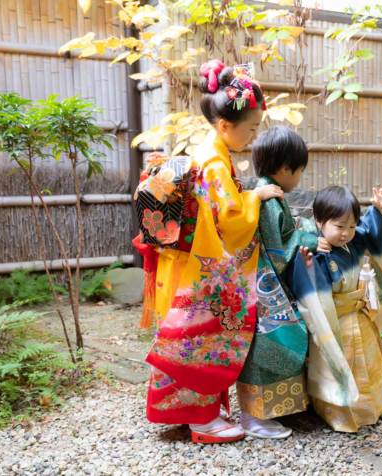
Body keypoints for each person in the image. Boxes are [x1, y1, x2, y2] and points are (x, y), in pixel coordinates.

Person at [135, 59, 283, 443]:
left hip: (190, 258)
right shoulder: (215, 161)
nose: (252, 136)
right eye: (250, 128)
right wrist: (255, 195)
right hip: (201, 265)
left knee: (190, 335)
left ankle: (199, 412)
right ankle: (201, 420)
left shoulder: (212, 151)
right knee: (201, 335)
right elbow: (230, 221)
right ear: (224, 126)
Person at [287, 186, 382, 432]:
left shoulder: (355, 240)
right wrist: (307, 268)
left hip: (359, 314)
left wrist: (377, 209)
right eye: (339, 226)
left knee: (369, 360)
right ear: (319, 221)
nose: (347, 233)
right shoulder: (318, 254)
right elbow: (310, 294)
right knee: (341, 364)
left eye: (351, 225)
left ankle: (376, 404)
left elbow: (369, 230)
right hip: (337, 322)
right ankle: (343, 414)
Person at [236, 125, 330, 438]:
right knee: (274, 343)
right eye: (299, 171)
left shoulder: (265, 192)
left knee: (274, 344)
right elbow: (279, 251)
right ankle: (256, 416)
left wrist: (304, 231)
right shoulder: (269, 200)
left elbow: (284, 234)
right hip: (266, 284)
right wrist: (312, 240)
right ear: (285, 168)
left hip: (261, 281)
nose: (299, 178)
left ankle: (279, 411)